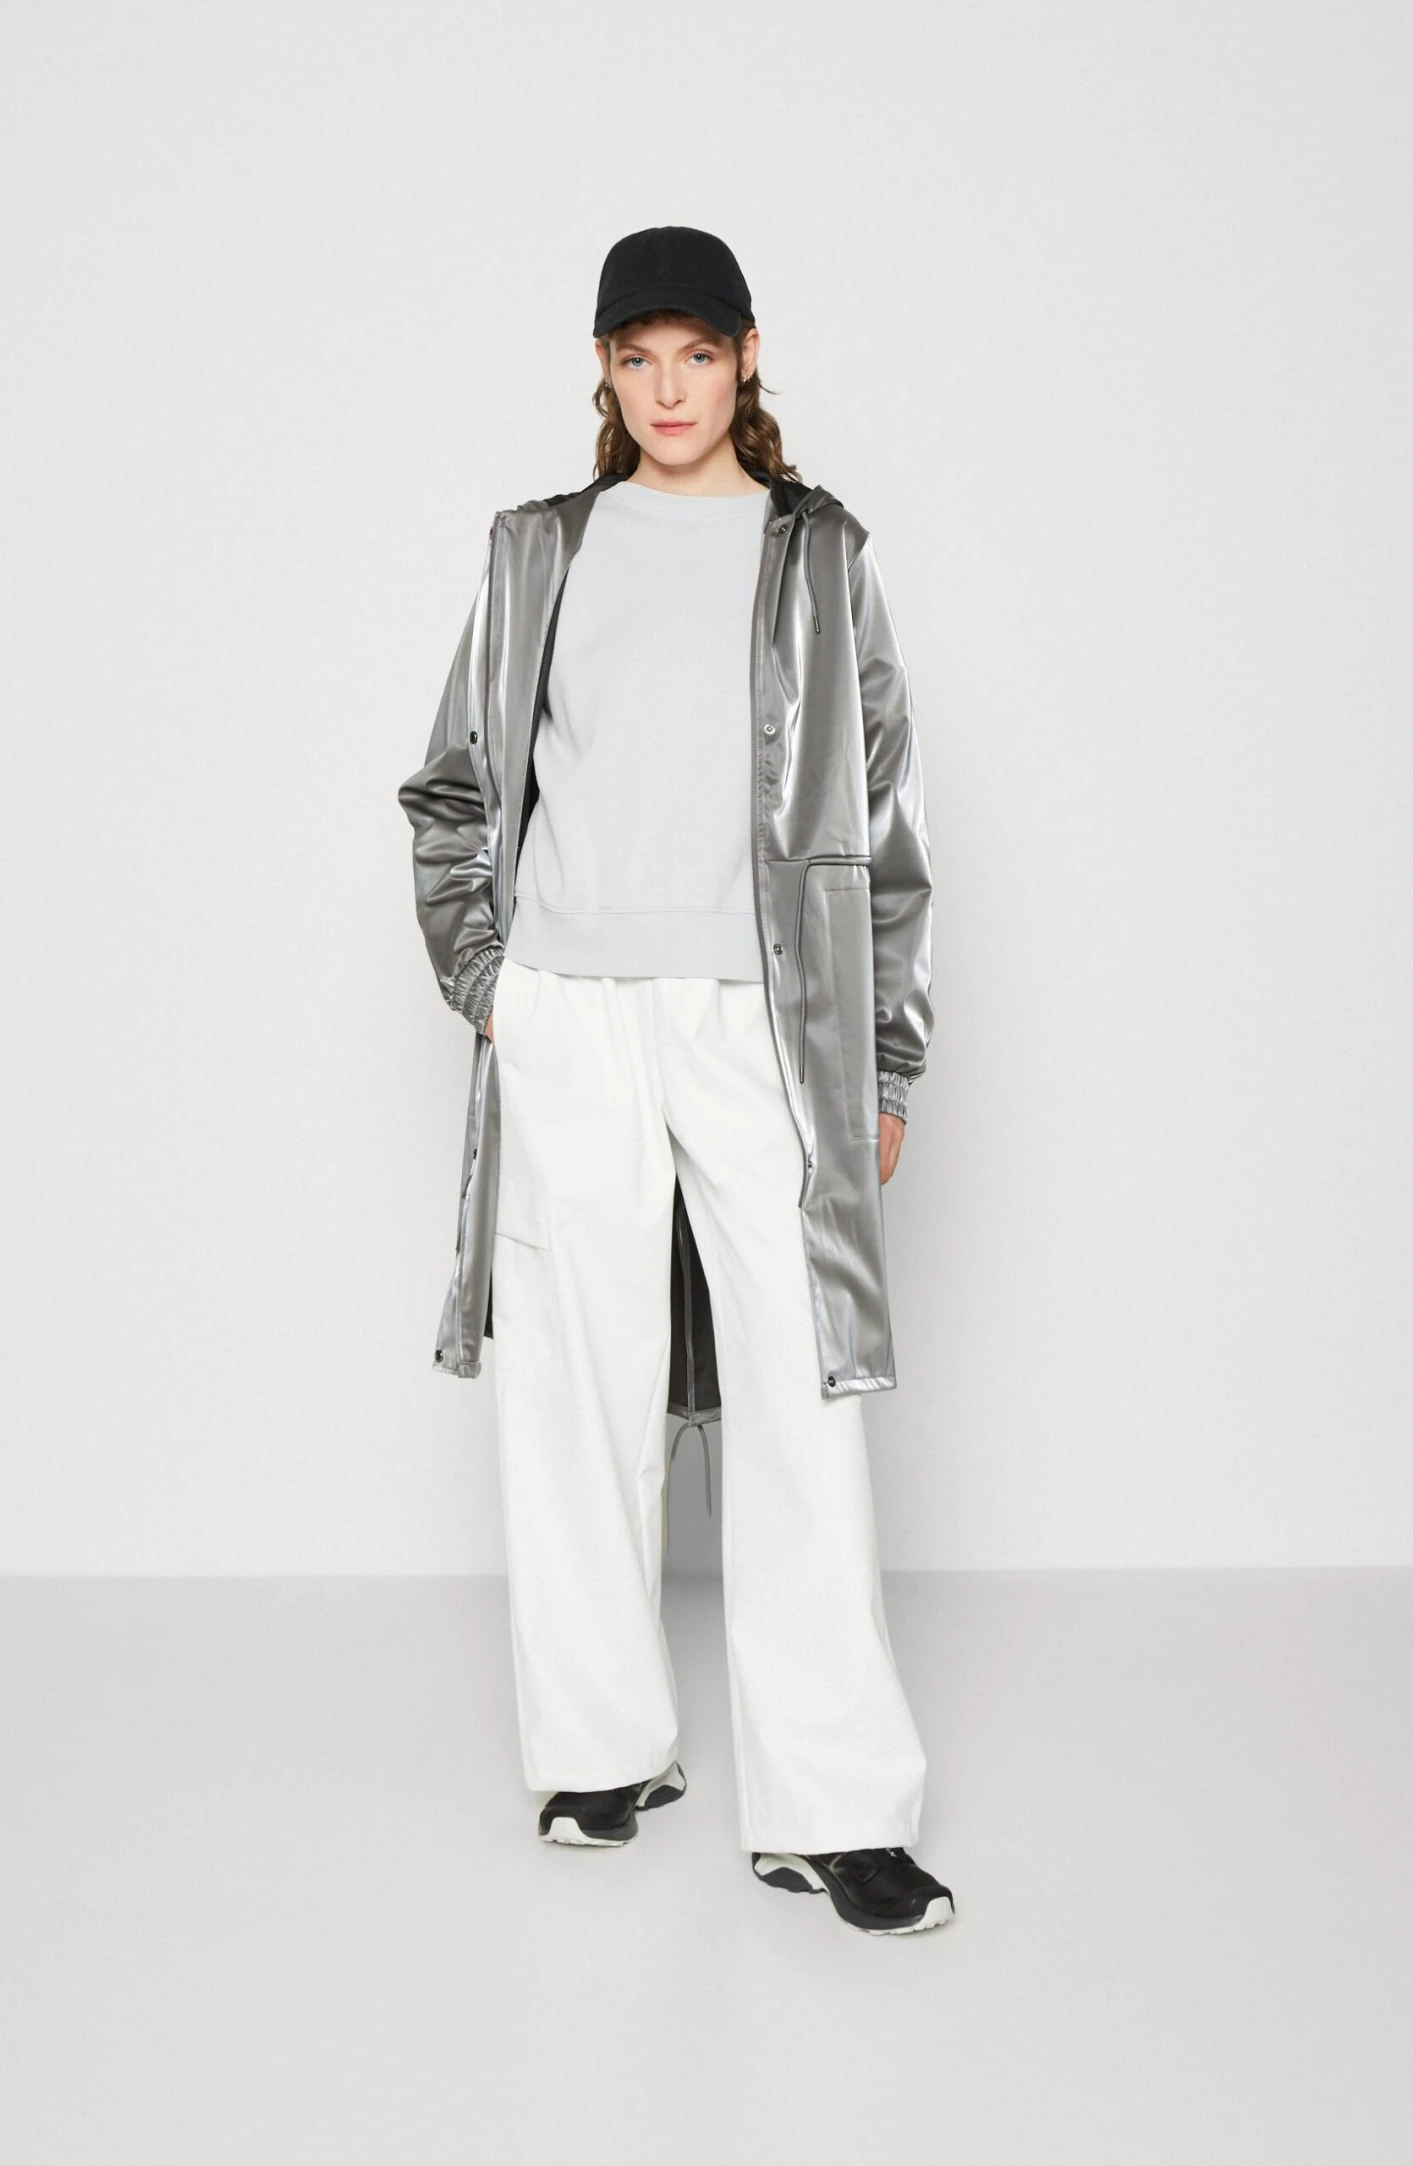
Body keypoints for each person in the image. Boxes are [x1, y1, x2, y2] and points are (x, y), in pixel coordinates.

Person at [398, 226, 955, 1937]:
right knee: (577, 1383)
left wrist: (883, 1056)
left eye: (696, 356)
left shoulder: (819, 553)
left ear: (745, 357)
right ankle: (597, 1751)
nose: (667, 389)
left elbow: (884, 824)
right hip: (572, 1011)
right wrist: (495, 989)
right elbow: (453, 789)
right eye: (637, 359)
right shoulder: (536, 548)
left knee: (801, 1394)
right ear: (604, 371)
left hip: (760, 1022)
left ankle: (835, 1809)